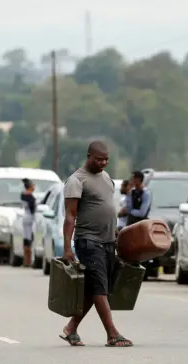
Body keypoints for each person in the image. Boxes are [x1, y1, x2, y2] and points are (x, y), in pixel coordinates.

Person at [60, 140, 133, 347]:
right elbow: (70, 216)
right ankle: (112, 334)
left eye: (106, 159)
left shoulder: (106, 177)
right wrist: (67, 248)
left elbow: (108, 208)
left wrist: (117, 235)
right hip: (89, 241)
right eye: (99, 159)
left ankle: (71, 328)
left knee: (98, 289)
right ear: (89, 156)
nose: (103, 163)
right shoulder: (76, 180)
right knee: (99, 288)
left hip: (108, 240)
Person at [20, 178, 36, 268]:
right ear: (30, 186)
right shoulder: (31, 197)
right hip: (30, 218)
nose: (34, 186)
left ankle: (26, 260)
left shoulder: (23, 195)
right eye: (33, 185)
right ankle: (29, 261)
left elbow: (24, 193)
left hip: (24, 217)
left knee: (26, 238)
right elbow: (33, 210)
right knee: (30, 239)